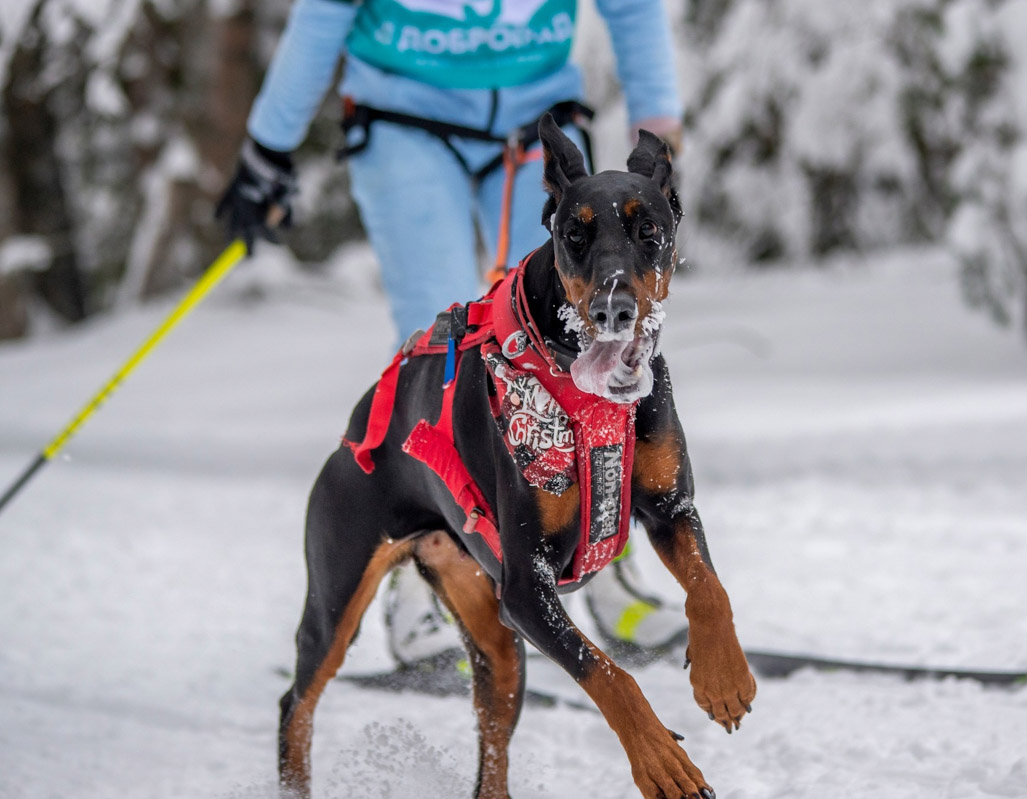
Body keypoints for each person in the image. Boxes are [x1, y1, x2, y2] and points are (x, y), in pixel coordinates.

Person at [216, 0, 688, 670]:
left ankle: (606, 570)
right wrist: (270, 143)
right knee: (439, 338)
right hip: (402, 117)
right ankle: (422, 584)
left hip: (538, 119)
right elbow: (325, 12)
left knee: (570, 332)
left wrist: (659, 122)